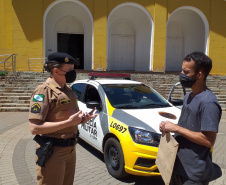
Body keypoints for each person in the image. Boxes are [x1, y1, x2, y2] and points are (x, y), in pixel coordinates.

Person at [29, 52, 97, 185]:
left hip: (71, 150)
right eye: (69, 70)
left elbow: (69, 118)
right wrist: (68, 122)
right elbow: (34, 128)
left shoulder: (69, 91)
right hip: (53, 152)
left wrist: (82, 119)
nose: (73, 73)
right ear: (56, 71)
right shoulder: (43, 91)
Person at [159, 52, 222, 185]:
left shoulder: (208, 103)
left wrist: (176, 128)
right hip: (177, 166)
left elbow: (208, 140)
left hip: (194, 174)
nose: (181, 74)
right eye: (182, 69)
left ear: (199, 75)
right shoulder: (189, 96)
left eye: (186, 72)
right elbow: (186, 126)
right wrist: (169, 127)